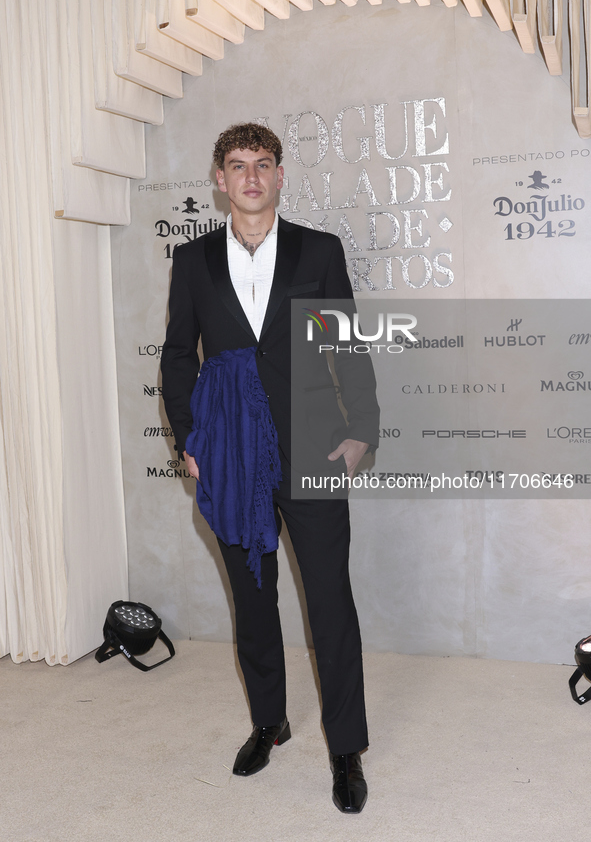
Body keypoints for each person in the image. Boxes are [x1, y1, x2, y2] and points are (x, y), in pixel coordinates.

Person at [161, 123, 379, 813]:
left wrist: (360, 431)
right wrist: (189, 437)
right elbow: (174, 355)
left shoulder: (319, 250)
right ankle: (268, 721)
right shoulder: (191, 259)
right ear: (220, 181)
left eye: (262, 164)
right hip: (227, 451)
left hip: (311, 442)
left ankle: (345, 748)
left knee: (329, 601)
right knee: (252, 599)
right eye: (236, 165)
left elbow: (346, 344)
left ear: (280, 176)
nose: (250, 175)